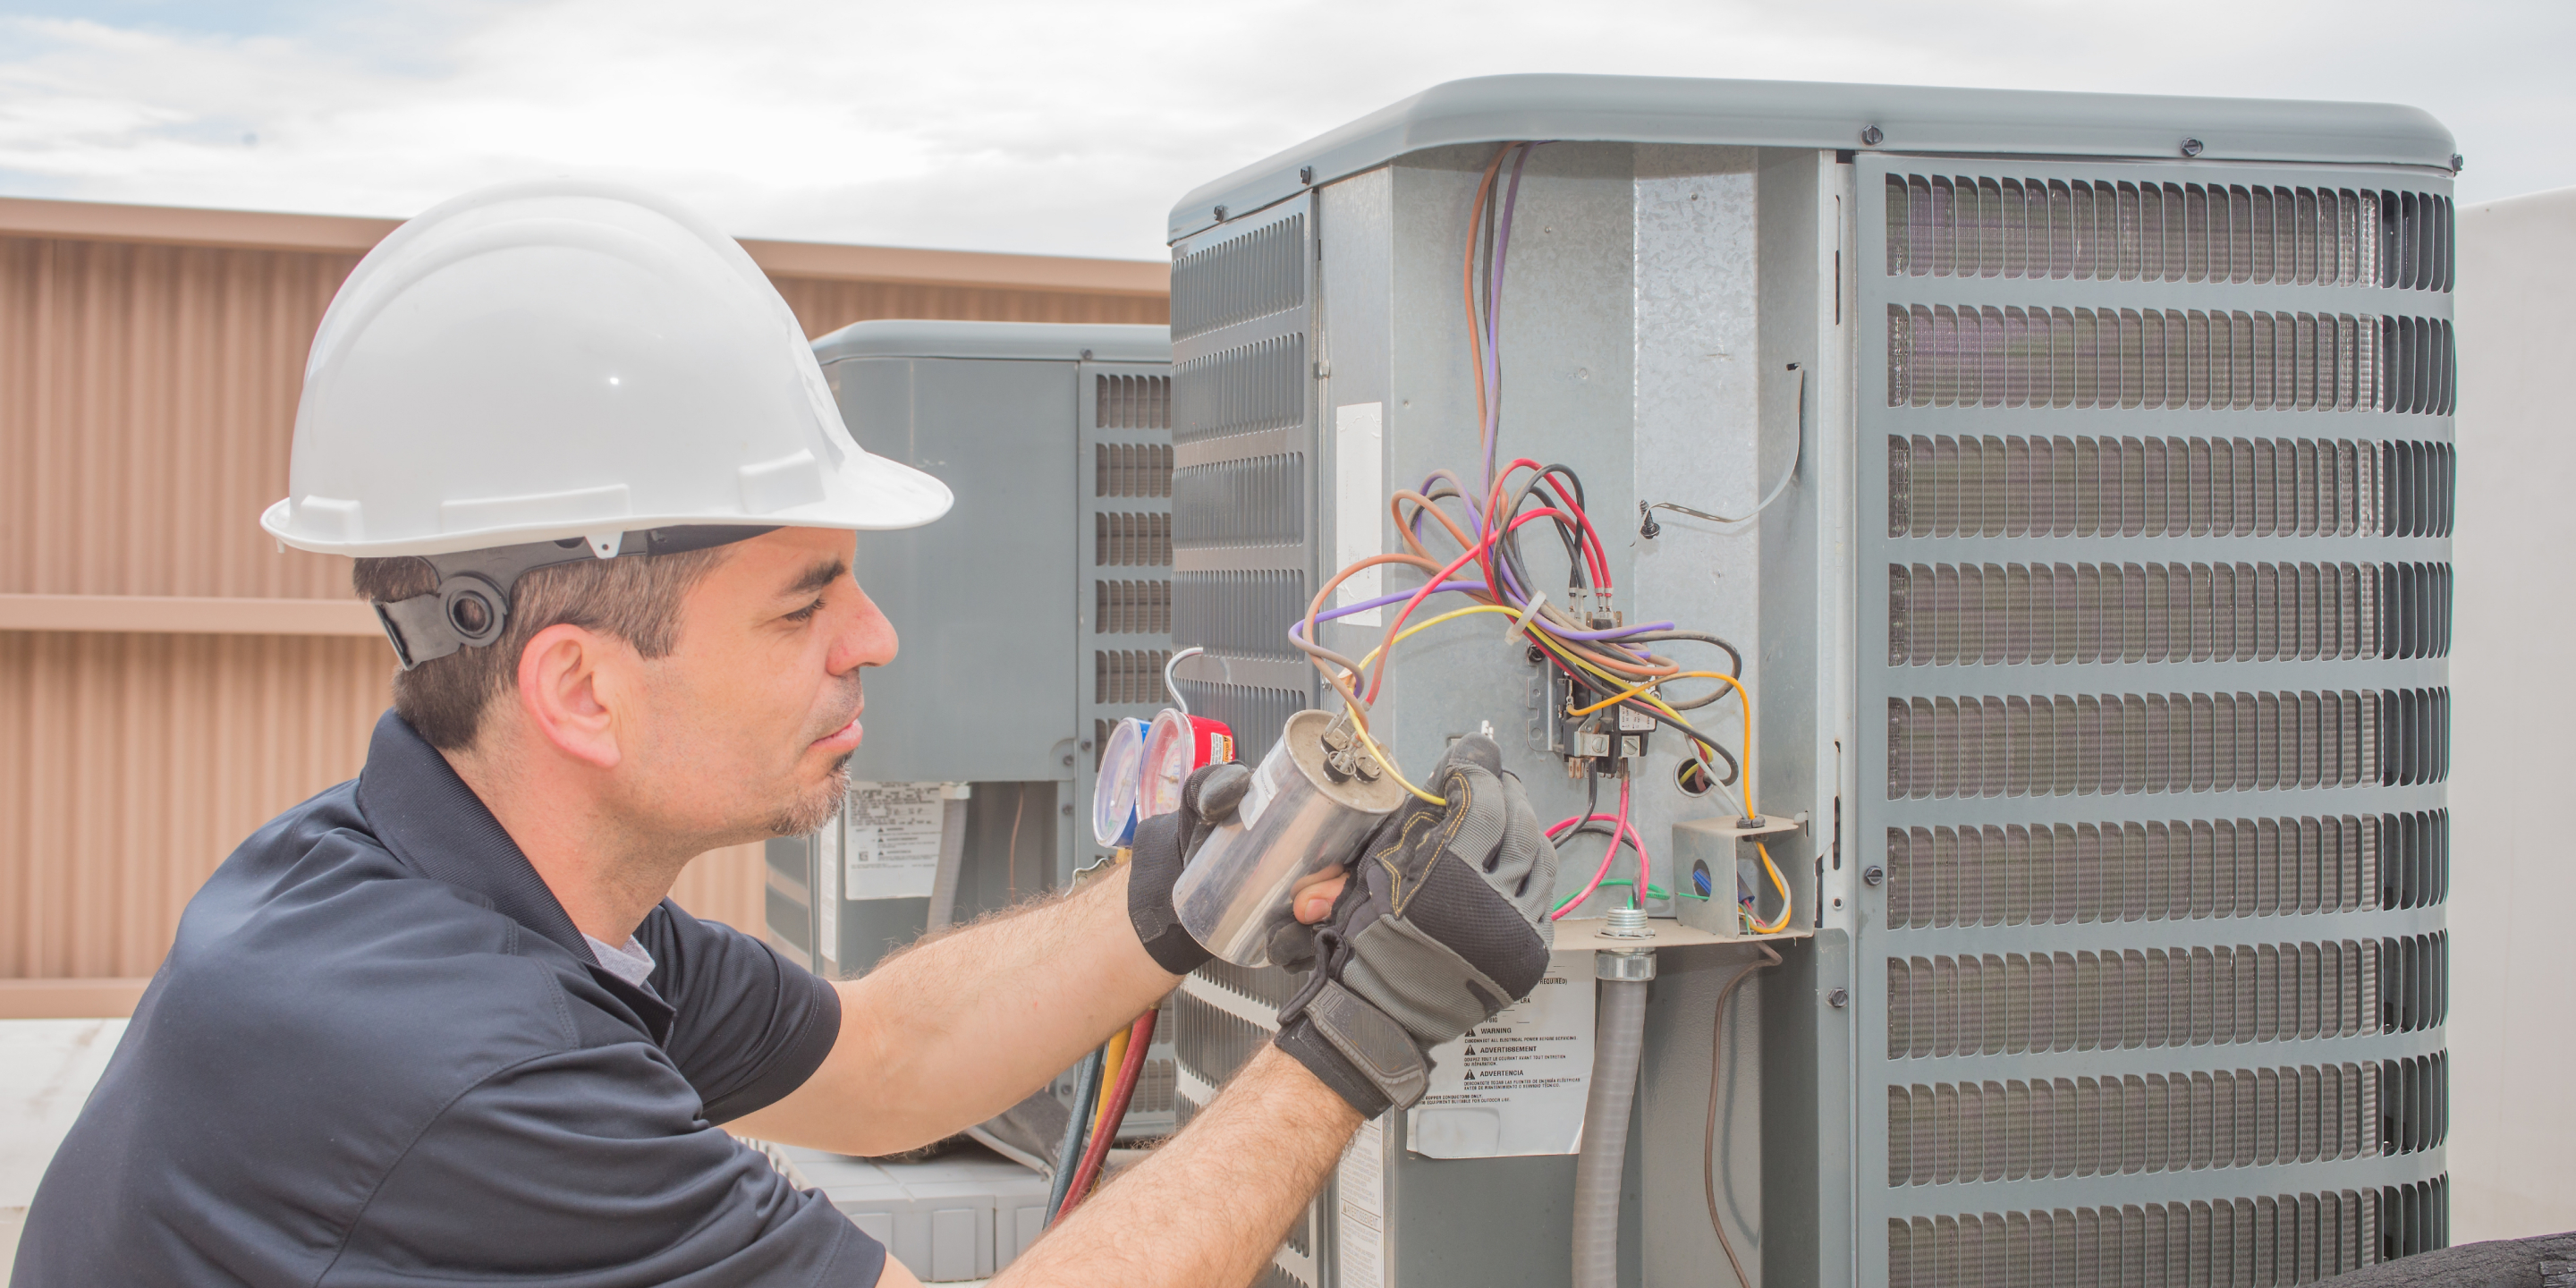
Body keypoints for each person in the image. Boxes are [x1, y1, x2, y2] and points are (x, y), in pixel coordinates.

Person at [9, 182, 1556, 1288]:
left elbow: (881, 1058)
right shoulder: (471, 1074)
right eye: (803, 600)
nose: (874, 638)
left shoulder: (433, 890)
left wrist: (1181, 890)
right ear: (579, 691)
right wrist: (1359, 1042)